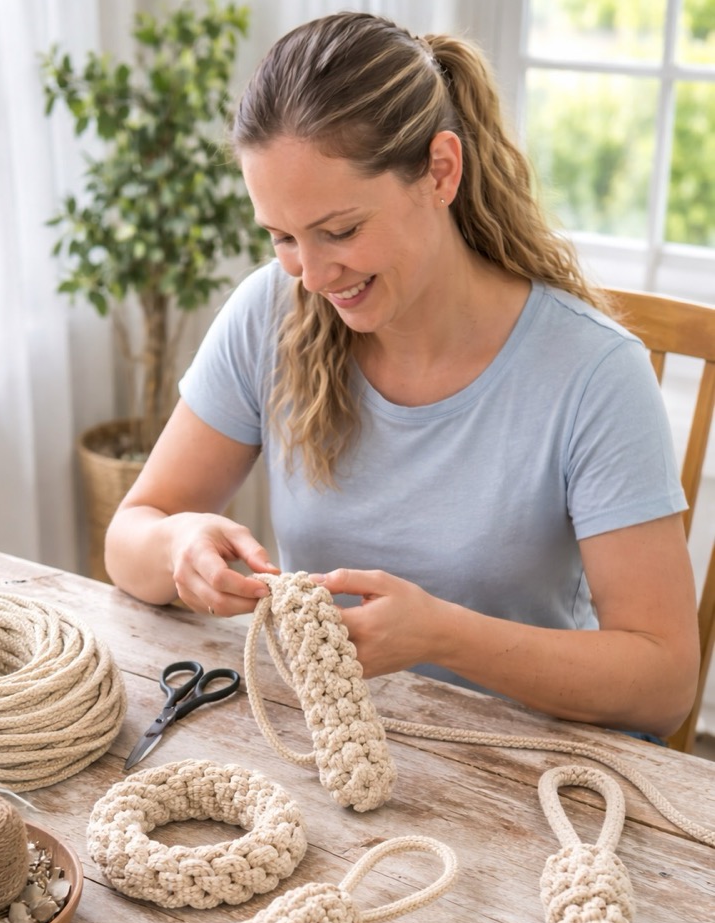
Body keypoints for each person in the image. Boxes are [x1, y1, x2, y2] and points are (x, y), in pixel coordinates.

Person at [105, 11, 699, 739]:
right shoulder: (270, 310)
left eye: (341, 230)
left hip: (532, 774)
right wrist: (178, 546)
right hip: (335, 744)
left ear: (440, 171)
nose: (314, 275)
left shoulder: (592, 373)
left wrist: (444, 636)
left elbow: (662, 680)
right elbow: (130, 536)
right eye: (282, 237)